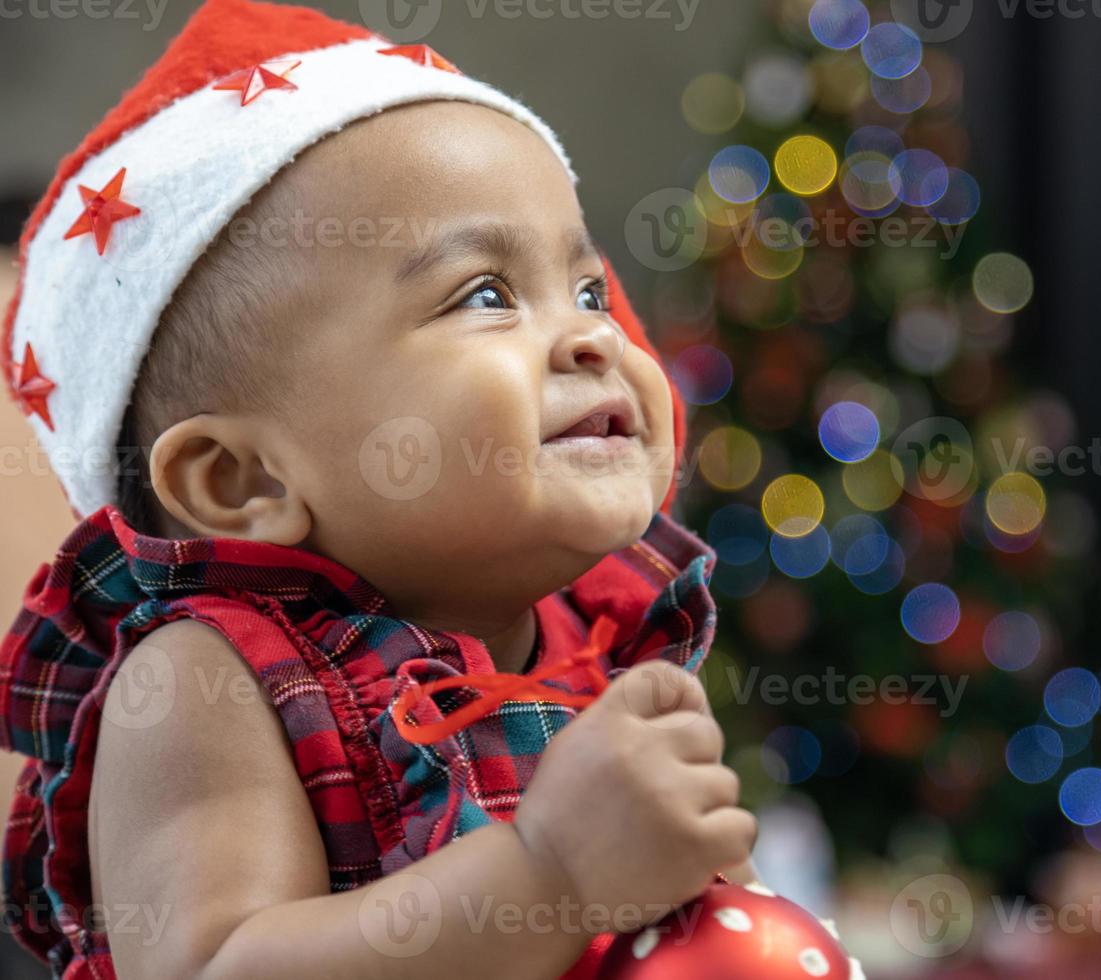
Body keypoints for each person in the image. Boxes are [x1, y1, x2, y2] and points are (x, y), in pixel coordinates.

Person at [0, 1, 757, 977]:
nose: (597, 336)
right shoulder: (209, 679)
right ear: (242, 478)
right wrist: (550, 875)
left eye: (587, 288)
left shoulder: (601, 646)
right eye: (484, 294)